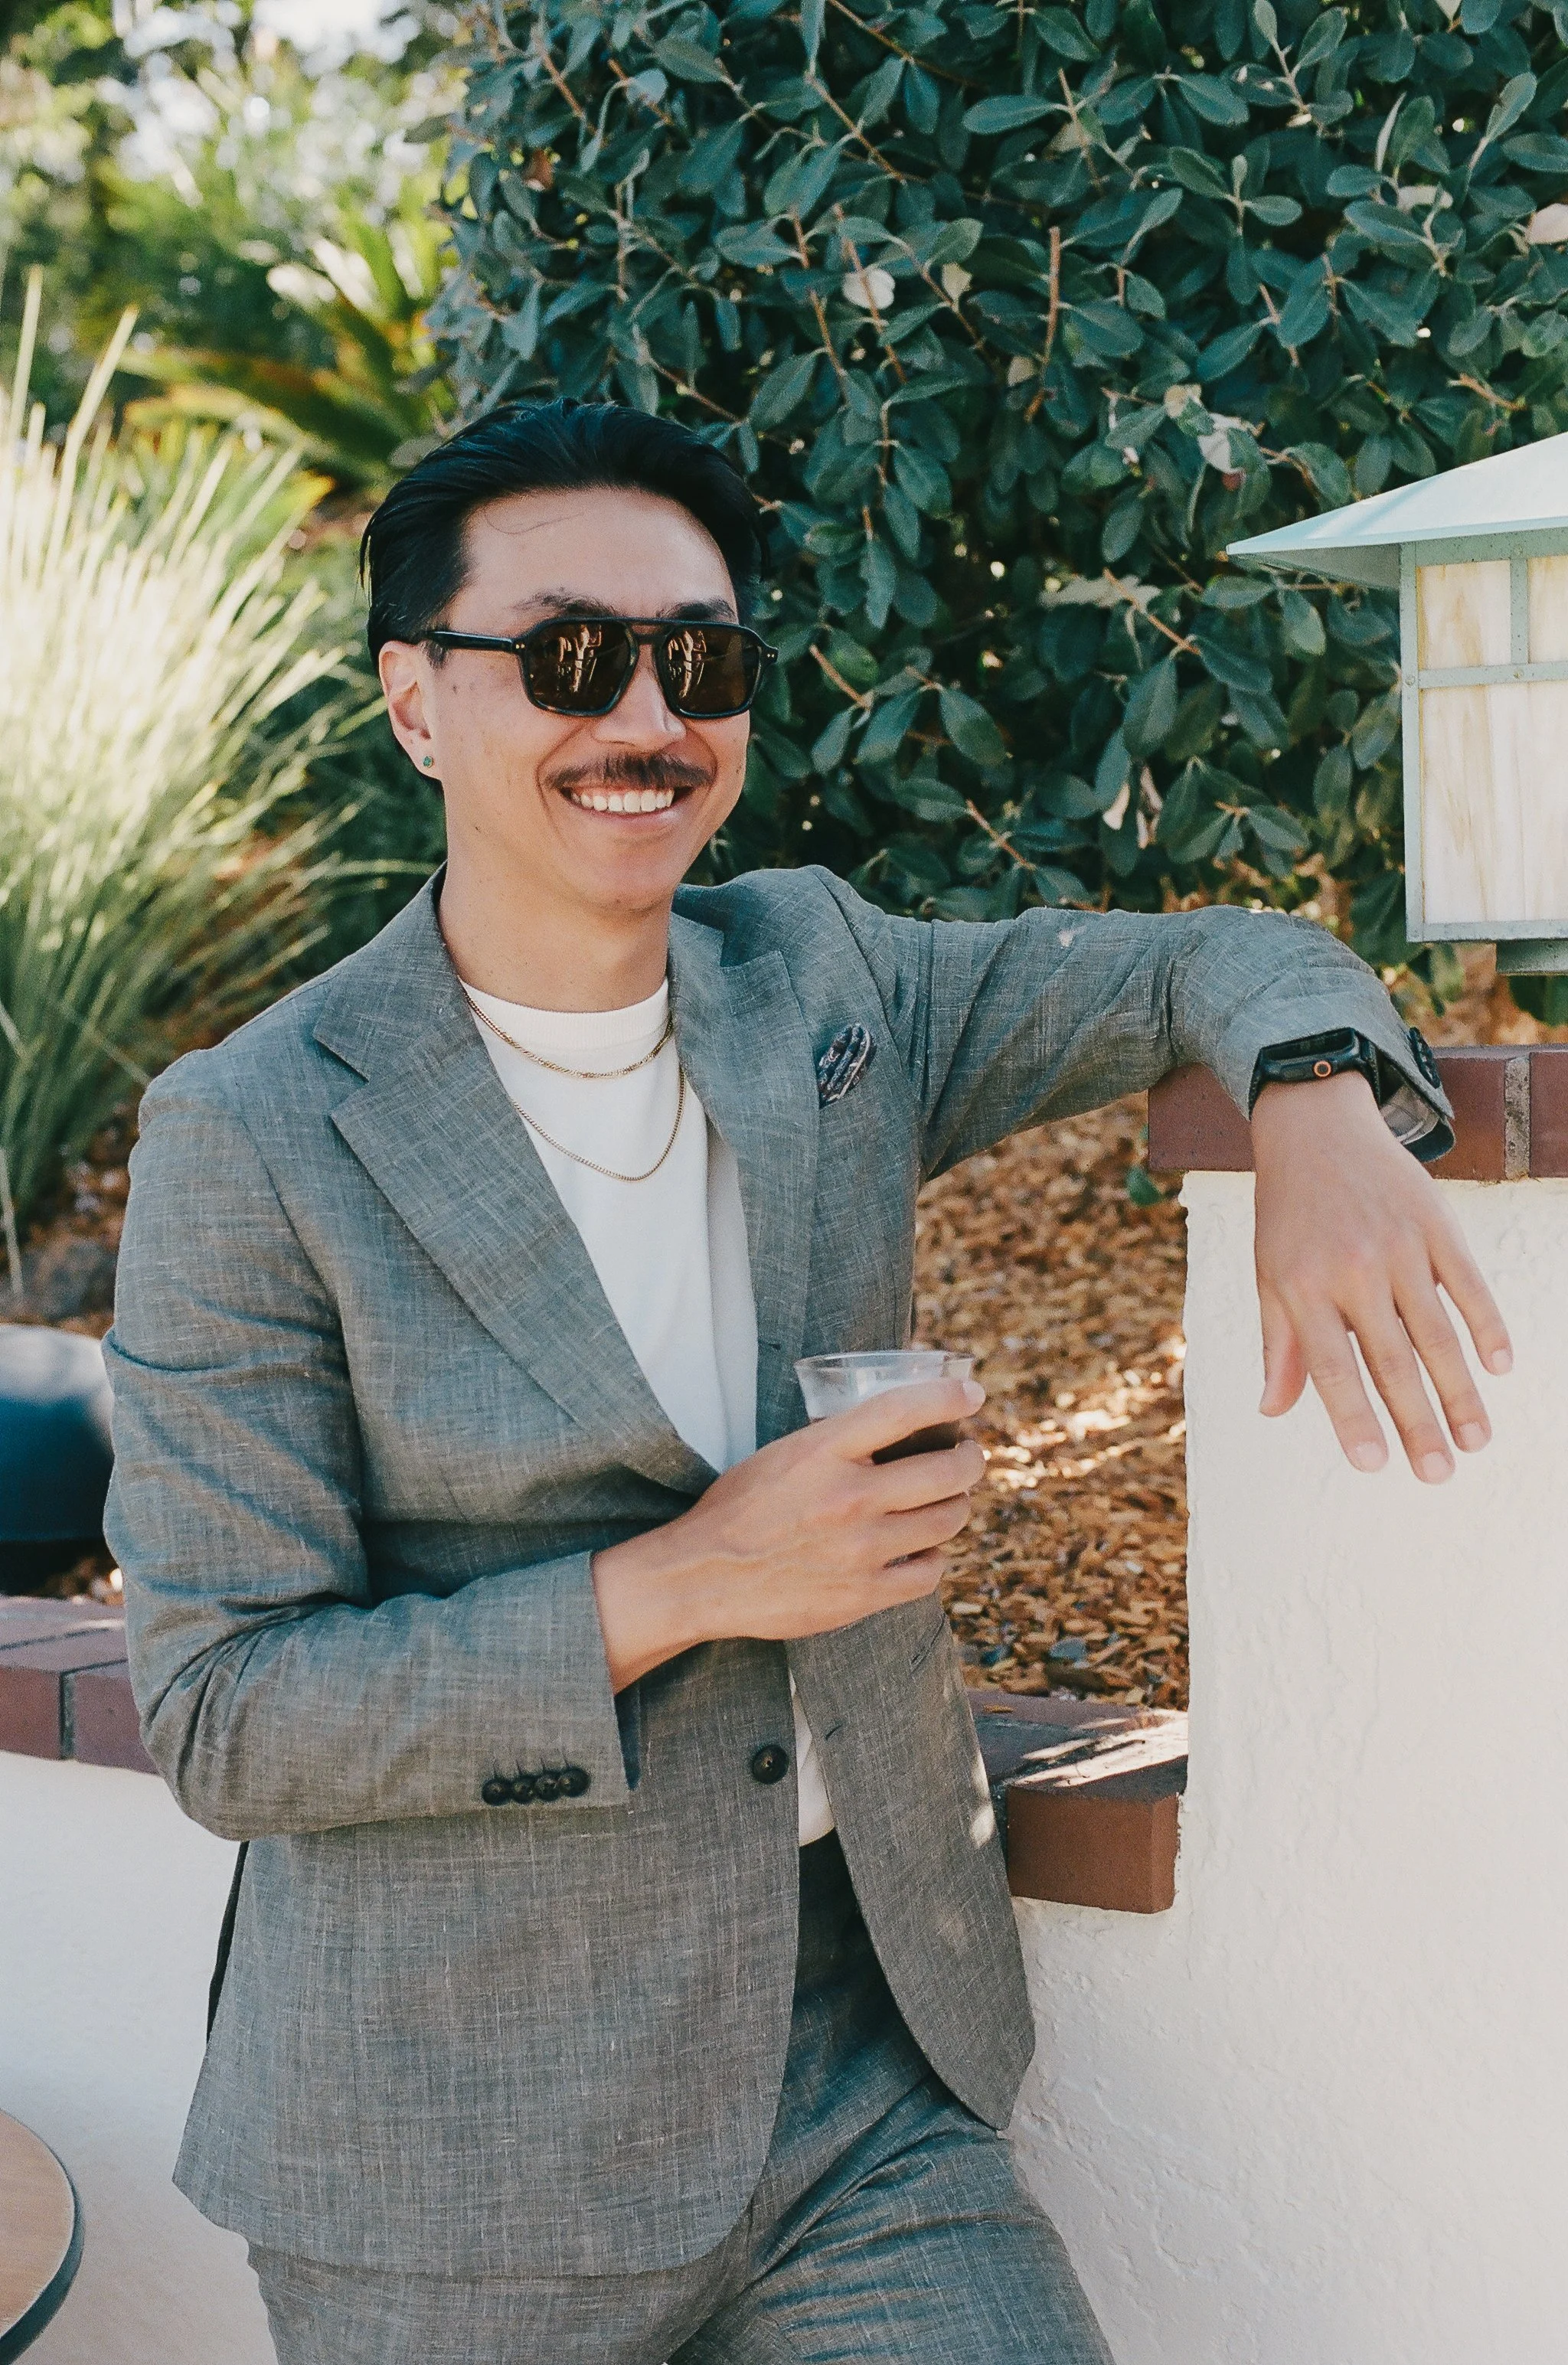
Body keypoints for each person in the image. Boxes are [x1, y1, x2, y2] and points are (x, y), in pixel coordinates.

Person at [106, 399, 1511, 2365]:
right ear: (418, 702)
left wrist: (1321, 1101)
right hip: (451, 2141)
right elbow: (224, 1710)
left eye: (705, 658)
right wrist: (691, 1577)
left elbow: (1211, 950)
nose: (650, 716)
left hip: (858, 2083)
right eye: (573, 656)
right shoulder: (250, 1128)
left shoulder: (824, 983)